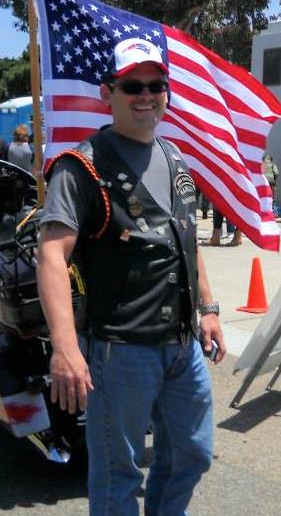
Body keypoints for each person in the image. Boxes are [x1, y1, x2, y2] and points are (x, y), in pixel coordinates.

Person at [36, 38, 226, 516]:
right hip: (122, 351)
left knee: (192, 453)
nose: (146, 95)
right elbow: (51, 256)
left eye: (155, 85)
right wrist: (65, 347)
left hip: (182, 347)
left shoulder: (174, 155)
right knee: (118, 474)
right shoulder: (80, 166)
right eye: (132, 86)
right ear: (108, 94)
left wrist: (209, 308)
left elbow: (185, 237)